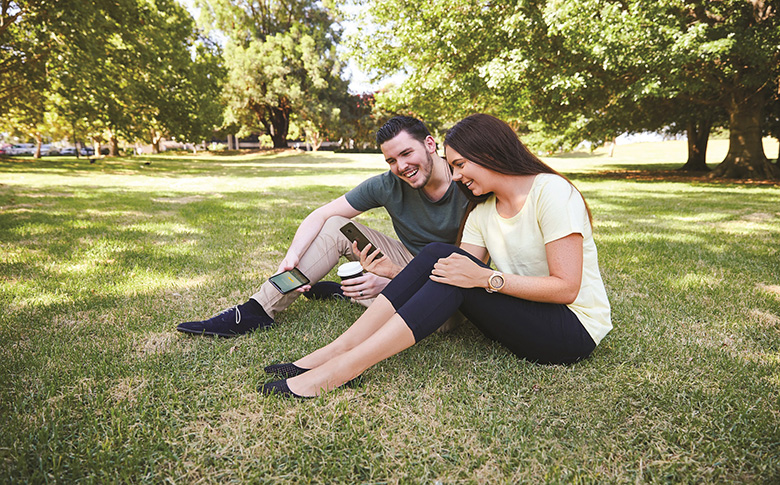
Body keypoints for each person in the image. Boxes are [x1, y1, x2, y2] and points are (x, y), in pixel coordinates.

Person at [260, 113, 612, 398]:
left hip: (570, 331)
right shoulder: (481, 212)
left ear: (488, 153)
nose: (456, 176)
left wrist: (486, 278)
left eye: (460, 165)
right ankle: (336, 352)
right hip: (523, 320)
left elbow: (566, 288)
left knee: (447, 259)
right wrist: (396, 272)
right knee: (440, 256)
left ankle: (344, 368)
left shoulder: (551, 192)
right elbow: (446, 279)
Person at [176, 116, 469, 337]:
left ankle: (349, 292)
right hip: (410, 259)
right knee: (336, 225)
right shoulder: (388, 184)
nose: (401, 166)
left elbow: (469, 272)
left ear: (430, 144)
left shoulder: (468, 183)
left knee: (439, 322)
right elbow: (321, 215)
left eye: (407, 154)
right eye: (391, 160)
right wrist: (292, 255)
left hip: (451, 283)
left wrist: (395, 283)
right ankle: (257, 310)